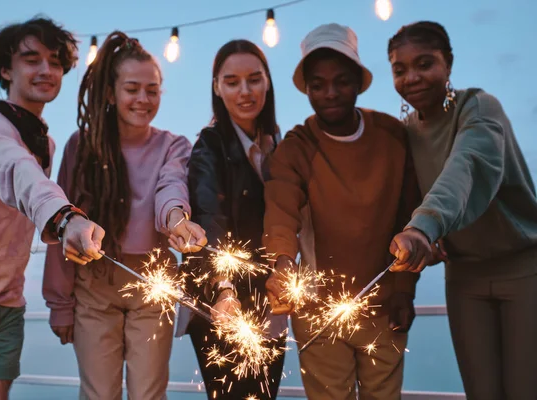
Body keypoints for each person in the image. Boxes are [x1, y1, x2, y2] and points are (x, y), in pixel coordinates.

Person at [0, 17, 105, 400]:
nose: (46, 70)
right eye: (31, 59)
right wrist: (66, 218)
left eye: (55, 61)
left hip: (5, 305)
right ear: (5, 69)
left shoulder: (44, 142)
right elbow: (17, 172)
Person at [42, 31, 206, 400]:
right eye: (132, 88)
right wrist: (59, 305)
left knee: (149, 392)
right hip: (93, 286)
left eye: (153, 89)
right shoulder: (81, 146)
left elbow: (171, 188)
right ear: (111, 92)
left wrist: (177, 220)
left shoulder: (173, 145)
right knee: (99, 393)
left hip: (153, 282)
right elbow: (61, 222)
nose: (143, 99)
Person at [262, 23, 420, 400]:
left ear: (359, 82)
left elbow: (410, 213)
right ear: (307, 89)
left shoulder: (391, 136)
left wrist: (404, 290)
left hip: (385, 305)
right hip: (317, 310)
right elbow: (281, 211)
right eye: (318, 85)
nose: (330, 93)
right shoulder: (297, 147)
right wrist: (282, 263)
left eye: (341, 81)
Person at [387, 21, 537, 400]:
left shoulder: (480, 108)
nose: (413, 77)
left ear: (448, 64)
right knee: (480, 393)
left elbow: (467, 165)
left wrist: (423, 227)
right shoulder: (406, 132)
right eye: (400, 70)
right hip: (463, 278)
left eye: (425, 63)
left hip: (523, 269)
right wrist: (429, 243)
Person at [174, 39, 287, 399]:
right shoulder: (209, 144)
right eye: (232, 81)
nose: (245, 91)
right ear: (216, 87)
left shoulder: (275, 143)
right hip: (220, 298)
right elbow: (210, 217)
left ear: (268, 81)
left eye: (254, 79)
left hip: (269, 297)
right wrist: (223, 289)